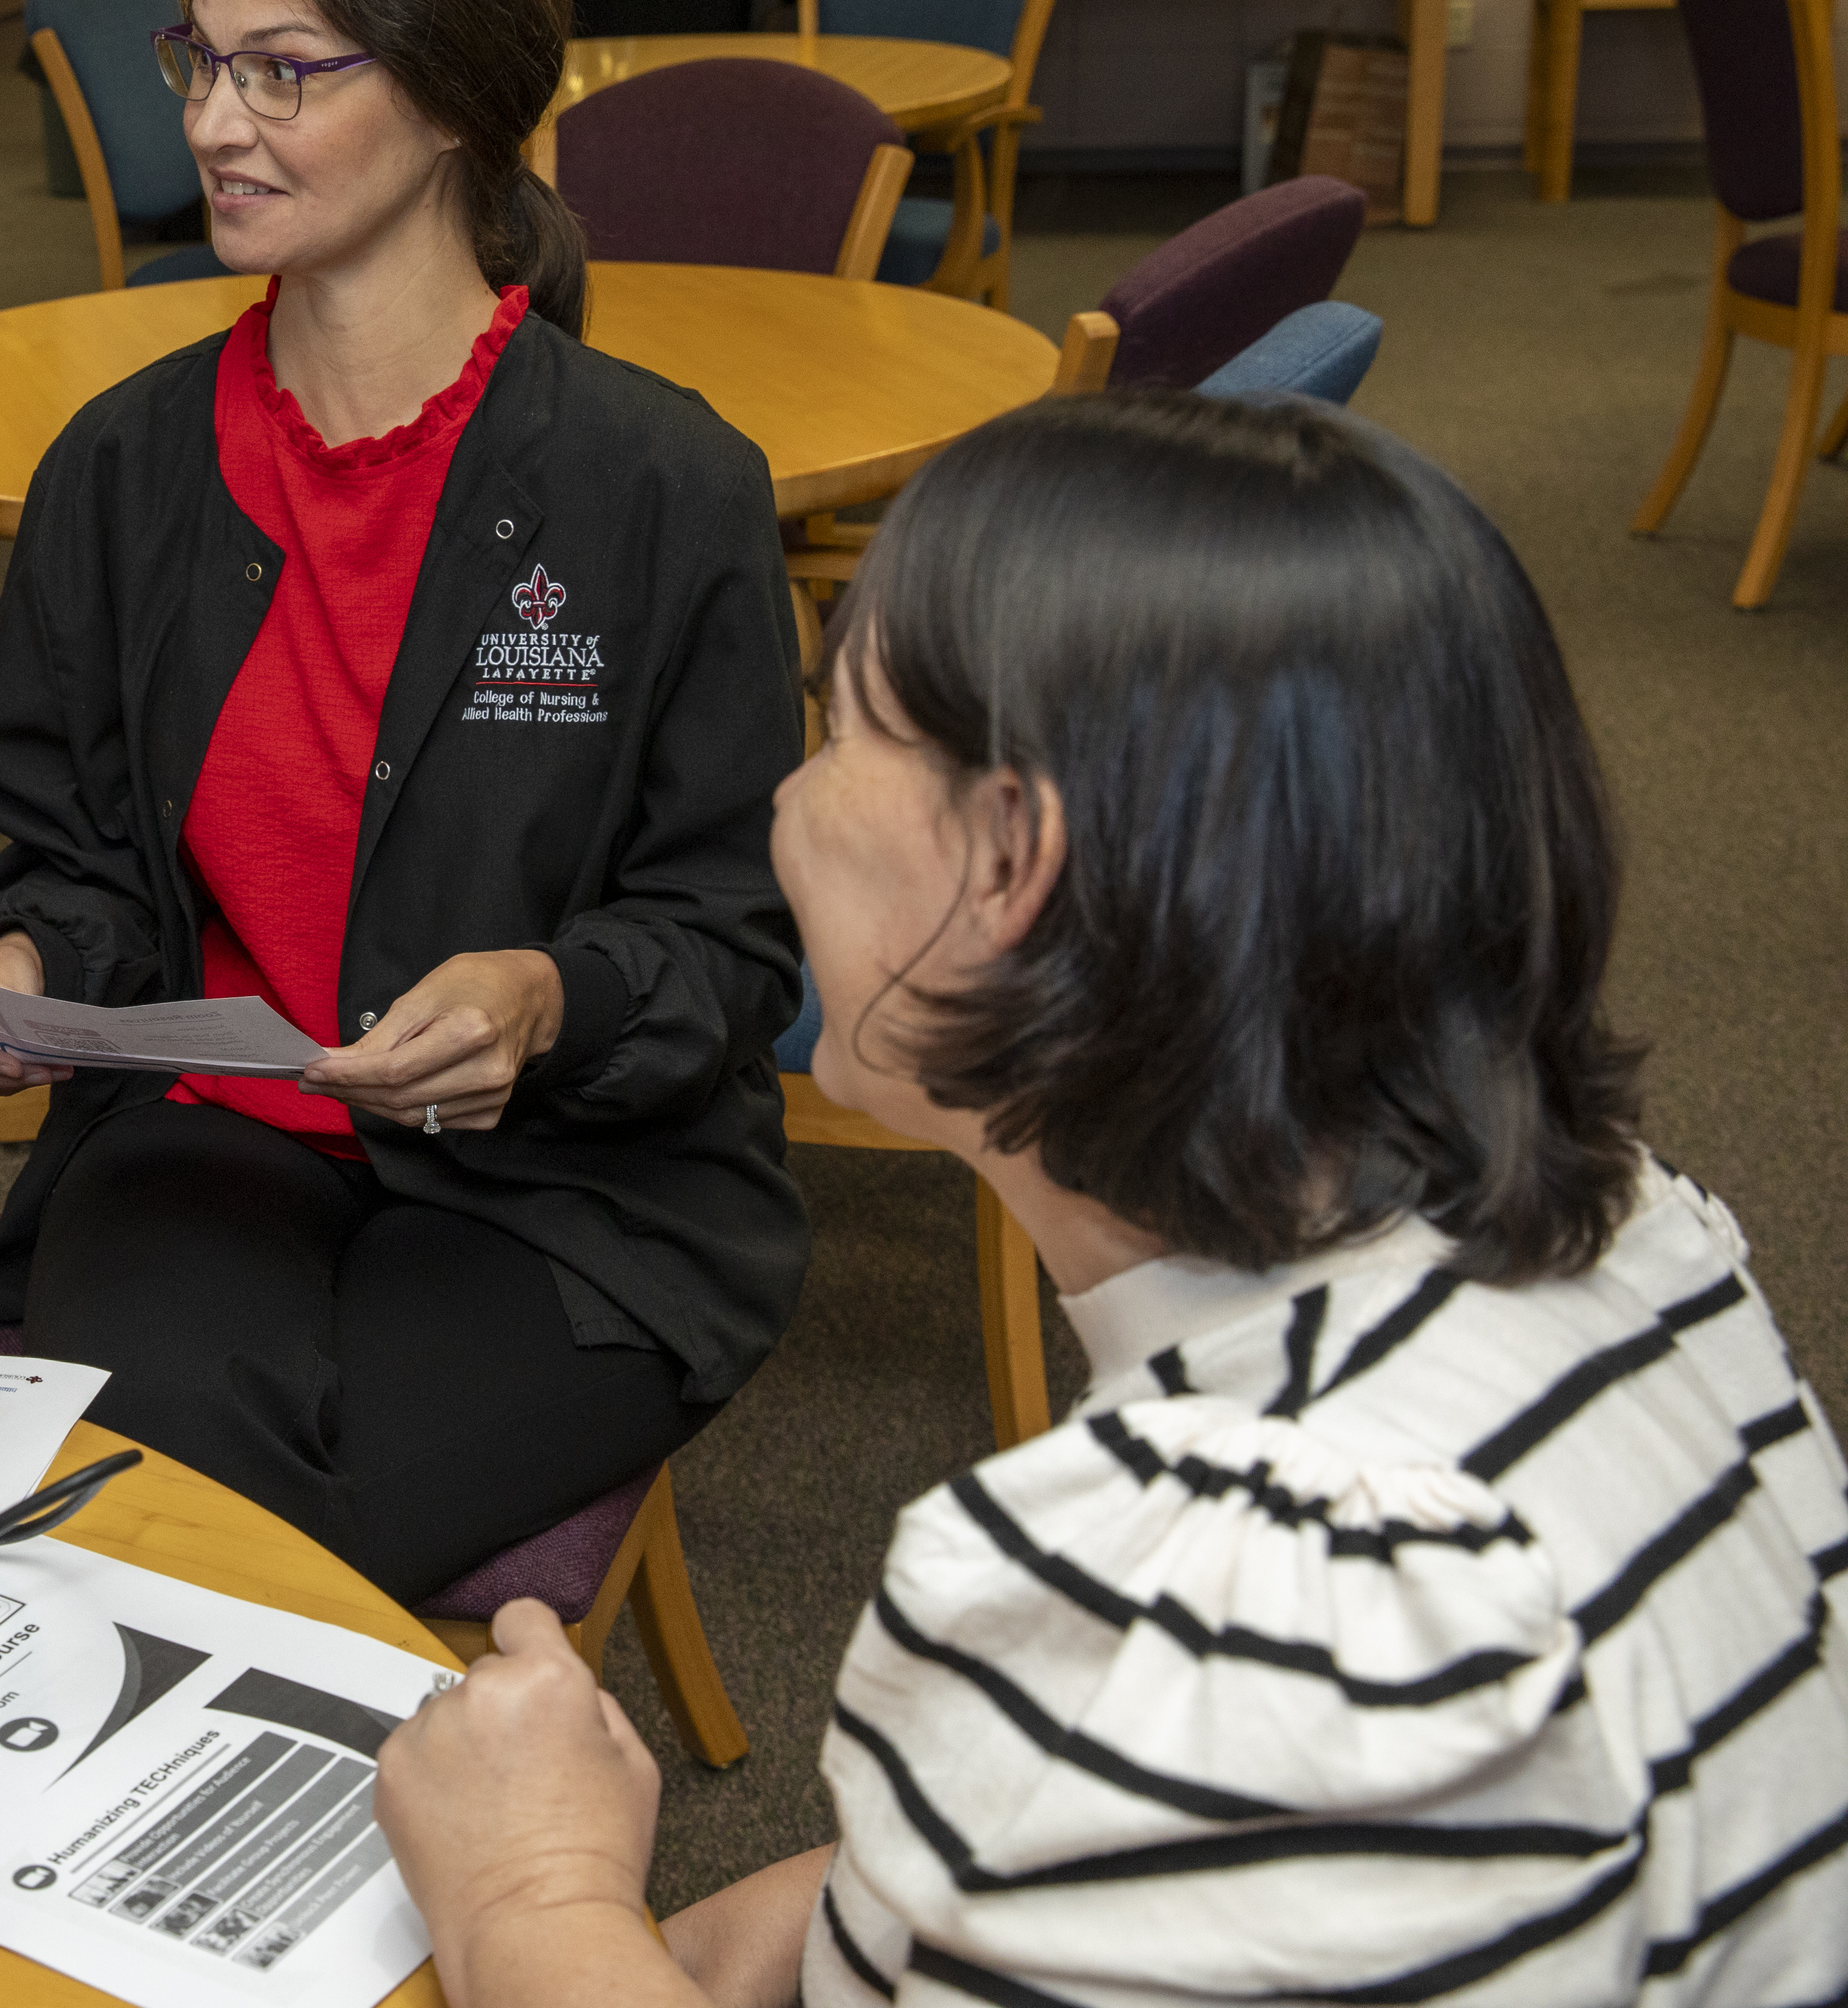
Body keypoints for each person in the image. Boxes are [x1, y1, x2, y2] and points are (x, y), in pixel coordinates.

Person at [372, 393, 1848, 2005]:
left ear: (1007, 860)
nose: (784, 800)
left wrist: (530, 1886)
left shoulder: (1199, 1599)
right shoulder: (1636, 1230)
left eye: (839, 721)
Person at [0, 0, 808, 1608]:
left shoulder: (665, 486)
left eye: (284, 73)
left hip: (572, 1186)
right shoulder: (122, 473)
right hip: (208, 1141)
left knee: (211, 1551)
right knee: (184, 1528)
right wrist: (22, 976)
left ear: (460, 101)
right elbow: (73, 863)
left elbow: (735, 941)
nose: (215, 123)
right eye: (201, 62)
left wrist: (551, 993)